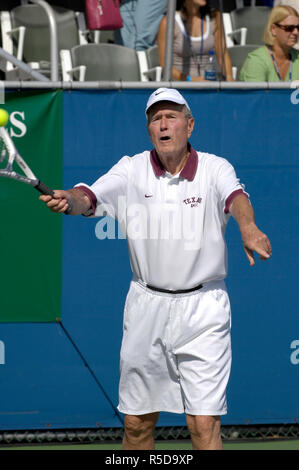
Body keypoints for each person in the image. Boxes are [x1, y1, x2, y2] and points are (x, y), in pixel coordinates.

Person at [39, 88, 272, 450]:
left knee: (203, 424)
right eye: (155, 119)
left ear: (189, 125)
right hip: (146, 307)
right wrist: (67, 200)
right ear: (149, 129)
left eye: (171, 117)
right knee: (136, 424)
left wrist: (248, 227)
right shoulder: (130, 169)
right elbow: (87, 196)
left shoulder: (215, 167)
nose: (163, 125)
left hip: (205, 310)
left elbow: (236, 198)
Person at [157, 0, 234, 81]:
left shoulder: (215, 16)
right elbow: (165, 67)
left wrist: (230, 78)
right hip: (179, 86)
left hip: (209, 84)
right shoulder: (168, 22)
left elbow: (223, 55)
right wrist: (191, 80)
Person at [240, 5, 299, 81]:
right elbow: (257, 93)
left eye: (298, 27)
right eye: (289, 28)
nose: (296, 32)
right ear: (273, 29)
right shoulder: (256, 61)